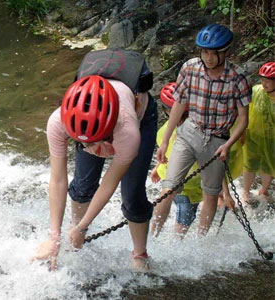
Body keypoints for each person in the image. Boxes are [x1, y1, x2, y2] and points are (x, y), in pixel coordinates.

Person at [31, 49, 158, 272]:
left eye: (96, 144)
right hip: (91, 122)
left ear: (109, 133)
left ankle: (140, 253)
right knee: (82, 184)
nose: (91, 150)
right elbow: (58, 179)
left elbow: (110, 183)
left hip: (140, 115)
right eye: (84, 145)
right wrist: (54, 237)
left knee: (132, 192)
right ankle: (73, 240)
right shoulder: (57, 123)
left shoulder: (128, 130)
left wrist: (83, 226)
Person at [151, 24, 251, 236]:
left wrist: (228, 145)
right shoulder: (190, 68)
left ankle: (201, 240)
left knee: (211, 194)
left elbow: (243, 120)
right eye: (204, 52)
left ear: (226, 52)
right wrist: (167, 140)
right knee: (168, 189)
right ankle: (152, 237)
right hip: (189, 133)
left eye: (213, 53)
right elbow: (179, 104)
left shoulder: (238, 78)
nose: (208, 58)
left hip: (217, 139)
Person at [150, 83, 235, 237]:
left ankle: (152, 238)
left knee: (180, 209)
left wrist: (157, 167)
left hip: (181, 181)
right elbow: (216, 163)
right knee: (185, 215)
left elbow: (167, 153)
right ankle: (185, 242)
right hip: (193, 184)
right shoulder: (203, 131)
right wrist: (226, 192)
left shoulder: (166, 131)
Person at [242, 62, 275, 203]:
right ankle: (245, 191)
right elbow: (245, 111)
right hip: (253, 136)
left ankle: (264, 190)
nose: (264, 83)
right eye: (263, 80)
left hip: (272, 139)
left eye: (268, 80)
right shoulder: (256, 91)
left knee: (268, 165)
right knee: (249, 164)